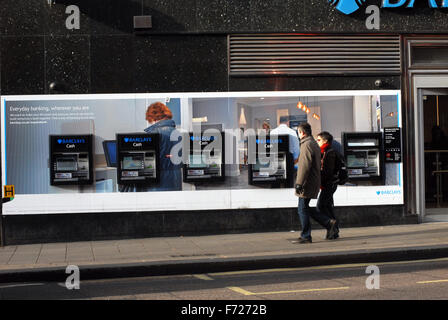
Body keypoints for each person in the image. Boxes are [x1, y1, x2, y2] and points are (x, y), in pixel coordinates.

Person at [119, 102, 182, 192]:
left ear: (154, 117)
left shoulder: (153, 134)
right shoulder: (178, 134)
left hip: (157, 186)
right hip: (175, 183)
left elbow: (145, 162)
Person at [295, 123, 338, 244]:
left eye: (298, 132)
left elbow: (304, 166)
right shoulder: (313, 143)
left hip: (307, 182)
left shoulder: (306, 144)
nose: (298, 135)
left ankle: (306, 235)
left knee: (302, 209)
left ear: (302, 133)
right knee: (304, 208)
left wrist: (299, 183)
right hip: (312, 181)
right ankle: (327, 223)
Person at [316, 131, 340, 239]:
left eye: (319, 140)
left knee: (320, 206)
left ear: (325, 141)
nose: (317, 142)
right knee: (328, 207)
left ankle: (332, 226)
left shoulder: (328, 152)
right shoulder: (324, 151)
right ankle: (334, 230)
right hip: (329, 183)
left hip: (329, 184)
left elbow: (327, 171)